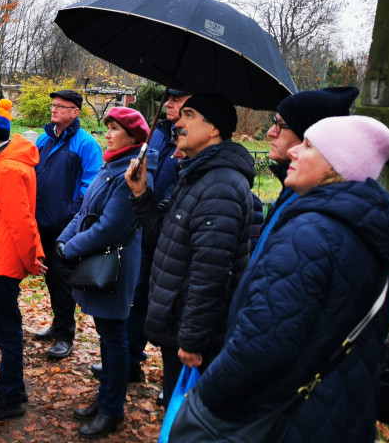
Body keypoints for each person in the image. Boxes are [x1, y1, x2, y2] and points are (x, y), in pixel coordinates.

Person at [189, 115, 389, 443]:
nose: (294, 151)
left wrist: (205, 398)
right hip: (338, 414)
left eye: (308, 146)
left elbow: (262, 342)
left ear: (335, 165)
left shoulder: (310, 235)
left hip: (285, 419)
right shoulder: (367, 232)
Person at [125, 92, 255, 406]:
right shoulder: (195, 176)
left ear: (214, 129)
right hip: (178, 323)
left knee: (188, 417)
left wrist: (194, 339)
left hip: (196, 335)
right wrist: (141, 193)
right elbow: (163, 239)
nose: (178, 124)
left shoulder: (220, 186)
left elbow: (210, 274)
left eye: (190, 115)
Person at [57, 107, 153, 439]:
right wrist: (62, 239)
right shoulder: (109, 166)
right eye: (107, 127)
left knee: (115, 338)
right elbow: (85, 211)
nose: (107, 133)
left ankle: (113, 410)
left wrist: (70, 249)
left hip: (115, 268)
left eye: (114, 129)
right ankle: (105, 398)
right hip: (97, 259)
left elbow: (110, 227)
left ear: (134, 137)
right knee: (107, 337)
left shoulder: (132, 174)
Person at [93, 89, 188, 384]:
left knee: (154, 301)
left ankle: (163, 373)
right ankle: (130, 361)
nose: (169, 103)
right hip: (141, 220)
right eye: (168, 99)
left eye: (178, 99)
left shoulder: (187, 139)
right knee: (135, 299)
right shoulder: (160, 131)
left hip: (165, 226)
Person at [0, 99, 47, 422]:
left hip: (3, 262)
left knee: (6, 330)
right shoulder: (3, 162)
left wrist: (34, 258)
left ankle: (11, 396)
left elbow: (22, 221)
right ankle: (10, 382)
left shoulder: (9, 168)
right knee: (5, 328)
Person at [34, 89, 103, 360]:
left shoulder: (86, 144)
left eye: (62, 107)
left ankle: (65, 335)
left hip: (65, 226)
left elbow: (90, 185)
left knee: (62, 279)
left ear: (75, 112)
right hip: (41, 220)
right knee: (50, 278)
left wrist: (71, 215)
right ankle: (57, 324)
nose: (54, 110)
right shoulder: (44, 139)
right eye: (53, 105)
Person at [254, 86, 359, 261]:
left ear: (310, 141)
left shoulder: (315, 215)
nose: (270, 132)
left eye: (281, 125)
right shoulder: (293, 190)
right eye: (274, 121)